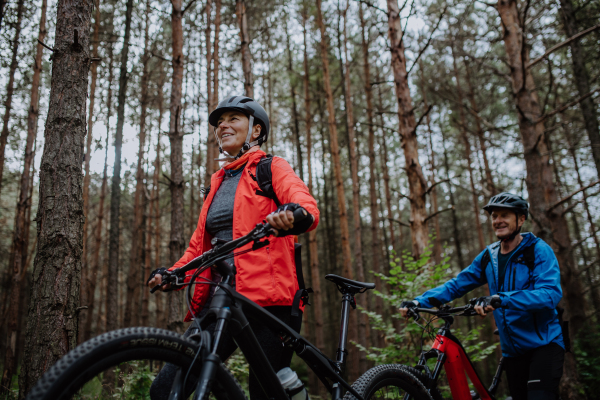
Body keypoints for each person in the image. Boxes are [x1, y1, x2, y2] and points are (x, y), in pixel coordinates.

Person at [147, 95, 319, 400]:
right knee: (166, 388)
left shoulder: (270, 168)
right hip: (222, 298)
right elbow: (201, 249)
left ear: (255, 131)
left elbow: (303, 202)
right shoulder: (218, 183)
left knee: (265, 393)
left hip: (269, 302)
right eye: (219, 122)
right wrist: (173, 274)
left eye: (233, 119)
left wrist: (295, 214)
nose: (223, 125)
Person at [399, 193, 565, 400]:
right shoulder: (490, 256)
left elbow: (549, 295)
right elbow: (457, 284)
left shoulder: (538, 250)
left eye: (504, 215)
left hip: (544, 345)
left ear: (521, 219)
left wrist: (500, 298)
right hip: (512, 352)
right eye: (494, 216)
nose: (498, 221)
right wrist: (418, 301)